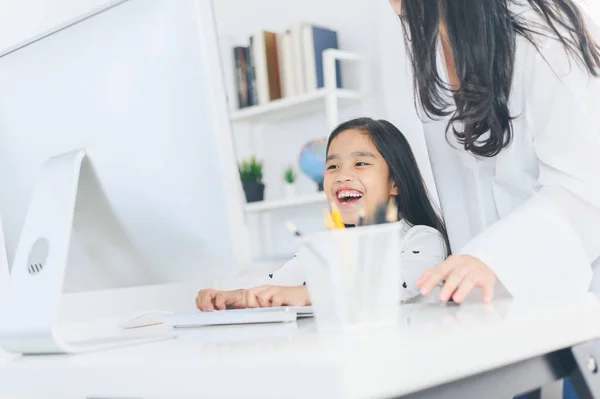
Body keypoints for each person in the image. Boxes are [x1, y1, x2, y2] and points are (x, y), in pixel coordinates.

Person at [387, 0, 600, 304]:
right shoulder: (431, 50)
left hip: (582, 305)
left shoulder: (545, 34)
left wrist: (493, 258)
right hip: (493, 312)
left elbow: (587, 187)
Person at [196, 117, 449, 311]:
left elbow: (396, 284)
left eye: (360, 163)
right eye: (333, 166)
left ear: (395, 182)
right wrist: (237, 296)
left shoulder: (422, 238)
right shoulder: (326, 248)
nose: (342, 175)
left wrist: (308, 294)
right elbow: (279, 282)